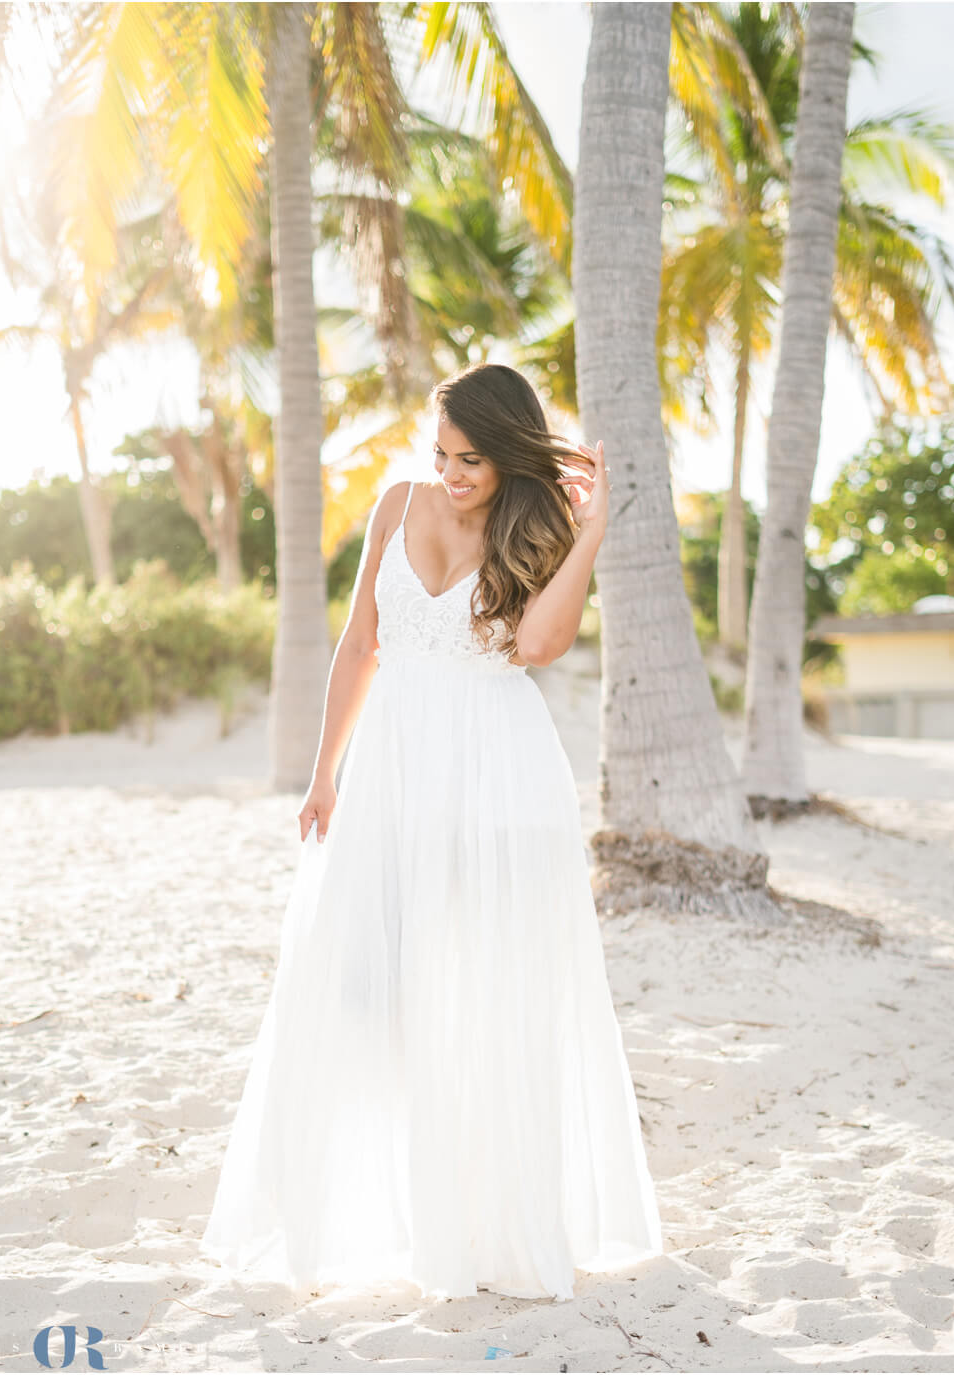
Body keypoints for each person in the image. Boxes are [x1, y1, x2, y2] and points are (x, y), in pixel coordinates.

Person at [200, 362, 663, 1302]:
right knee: (371, 990)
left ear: (510, 455)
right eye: (442, 454)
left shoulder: (537, 527)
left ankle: (490, 1228)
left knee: (491, 995)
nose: (451, 474)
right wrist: (325, 769)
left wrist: (594, 532)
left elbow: (538, 647)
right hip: (394, 769)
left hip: (500, 775)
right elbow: (360, 644)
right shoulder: (397, 505)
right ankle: (391, 1212)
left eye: (472, 460)